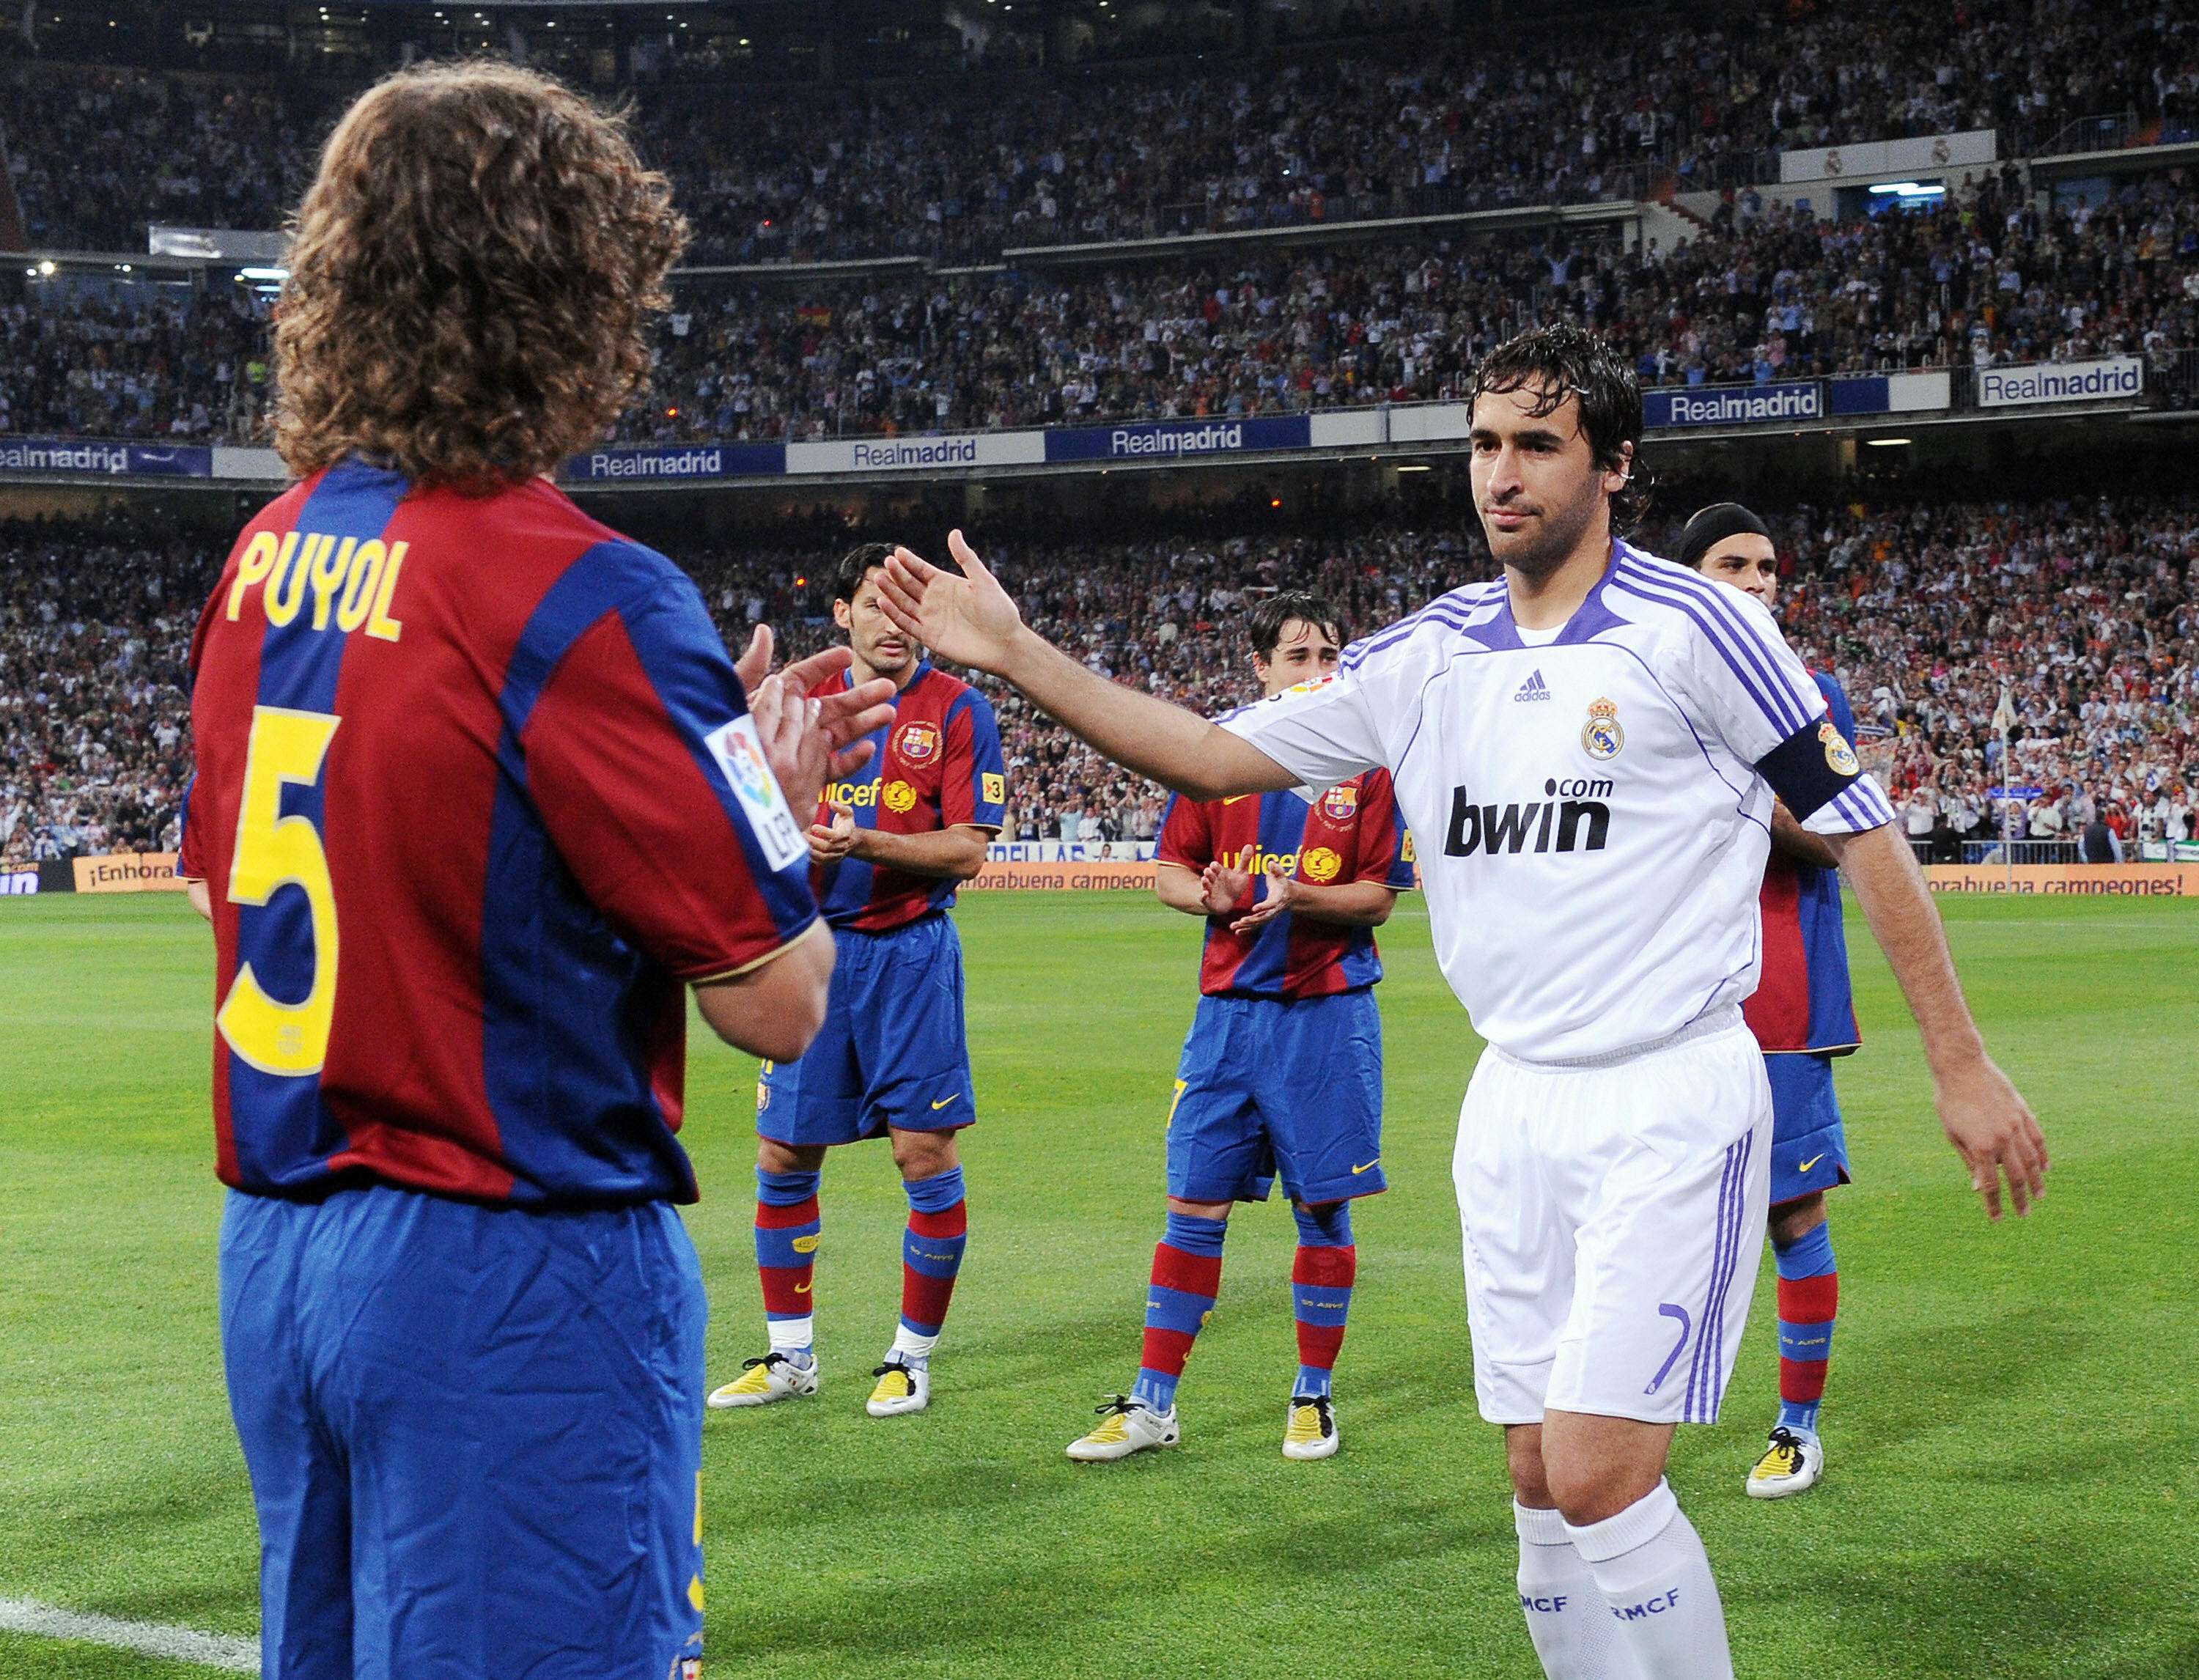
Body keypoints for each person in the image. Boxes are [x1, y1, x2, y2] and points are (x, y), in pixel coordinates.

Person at [874, 324, 2046, 1680]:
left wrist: (1959, 1063)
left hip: (1668, 1092)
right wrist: (1018, 652)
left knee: (1605, 1471)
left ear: (1614, 467)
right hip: (1514, 1104)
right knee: (1541, 1484)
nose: (1501, 472)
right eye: (1484, 443)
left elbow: (1864, 826)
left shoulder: (1700, 626)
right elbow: (1205, 755)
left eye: (1537, 445)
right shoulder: (1427, 653)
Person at [177, 63, 894, 1680]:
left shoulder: (263, 556)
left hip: (281, 1247)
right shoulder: (588, 592)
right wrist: (775, 806)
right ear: (574, 293)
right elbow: (776, 1006)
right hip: (501, 1266)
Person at [1064, 591, 1416, 1465]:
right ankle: (1152, 1405)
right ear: (1259, 669)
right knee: (1190, 1209)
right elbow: (1170, 873)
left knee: (1323, 1211)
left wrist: (1299, 896)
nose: (1317, 672)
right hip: (1225, 1020)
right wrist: (1209, 898)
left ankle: (1312, 1396)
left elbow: (1379, 894)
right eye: (1296, 657)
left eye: (1328, 655)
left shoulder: (1370, 764)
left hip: (1327, 1016)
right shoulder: (1218, 757)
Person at [707, 543, 1007, 1421]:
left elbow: (970, 849)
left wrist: (865, 843)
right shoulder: (793, 706)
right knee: (784, 1155)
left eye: (908, 604)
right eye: (876, 602)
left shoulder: (960, 708)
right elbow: (747, 824)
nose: (894, 619)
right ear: (842, 612)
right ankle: (790, 1354)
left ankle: (910, 1358)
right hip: (810, 952)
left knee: (925, 1154)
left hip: (910, 955)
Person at [1679, 502, 1860, 1499]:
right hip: (1660, 993)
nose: (1757, 580)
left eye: (1767, 566)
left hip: (1781, 993)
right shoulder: (1653, 688)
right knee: (1649, 1211)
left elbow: (1838, 838)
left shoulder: (1810, 694)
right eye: (1733, 564)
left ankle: (1797, 1428)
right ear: (1694, 581)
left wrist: (1742, 795)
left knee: (1792, 1213)